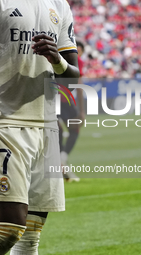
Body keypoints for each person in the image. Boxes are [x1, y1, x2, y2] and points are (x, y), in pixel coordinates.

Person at [0, 0, 80, 253]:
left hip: (46, 128)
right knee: (7, 230)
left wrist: (56, 59)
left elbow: (73, 76)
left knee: (30, 236)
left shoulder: (59, 4)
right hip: (3, 122)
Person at [59, 41, 85, 182]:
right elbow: (79, 85)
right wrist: (82, 111)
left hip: (62, 99)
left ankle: (62, 159)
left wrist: (81, 110)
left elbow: (79, 84)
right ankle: (61, 162)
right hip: (57, 99)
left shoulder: (74, 60)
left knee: (71, 129)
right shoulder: (75, 59)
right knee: (59, 130)